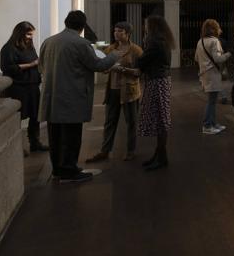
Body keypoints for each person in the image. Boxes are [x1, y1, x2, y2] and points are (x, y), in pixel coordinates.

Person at [39, 11, 120, 183]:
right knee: (71, 136)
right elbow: (97, 65)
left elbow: (41, 67)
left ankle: (58, 170)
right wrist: (114, 56)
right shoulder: (81, 43)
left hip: (52, 96)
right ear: (82, 26)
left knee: (55, 136)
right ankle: (69, 172)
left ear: (66, 22)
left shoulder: (48, 41)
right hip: (71, 97)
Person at [86, 22, 143, 163]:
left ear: (128, 34)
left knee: (131, 122)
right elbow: (103, 66)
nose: (116, 33)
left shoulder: (136, 50)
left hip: (129, 91)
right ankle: (105, 151)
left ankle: (131, 150)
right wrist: (107, 67)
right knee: (110, 121)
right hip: (112, 90)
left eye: (120, 31)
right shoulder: (111, 49)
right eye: (115, 31)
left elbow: (140, 72)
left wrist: (123, 70)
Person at [0, 21, 47, 154]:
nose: (30, 37)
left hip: (32, 86)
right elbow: (7, 68)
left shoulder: (29, 46)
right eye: (28, 34)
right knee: (17, 118)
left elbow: (36, 61)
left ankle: (35, 143)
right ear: (19, 33)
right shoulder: (8, 48)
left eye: (32, 34)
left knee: (35, 116)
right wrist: (31, 64)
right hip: (18, 88)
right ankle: (16, 147)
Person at [135, 15, 174, 170]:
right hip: (161, 80)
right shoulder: (163, 40)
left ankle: (162, 157)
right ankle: (159, 155)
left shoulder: (155, 41)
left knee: (161, 120)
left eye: (146, 25)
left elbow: (142, 61)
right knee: (160, 119)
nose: (145, 27)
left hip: (157, 81)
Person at [194, 19, 231, 135]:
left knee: (213, 100)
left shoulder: (200, 41)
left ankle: (213, 123)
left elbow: (196, 58)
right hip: (213, 74)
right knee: (211, 101)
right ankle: (207, 125)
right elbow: (218, 59)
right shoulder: (214, 41)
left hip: (204, 73)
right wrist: (229, 54)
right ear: (215, 29)